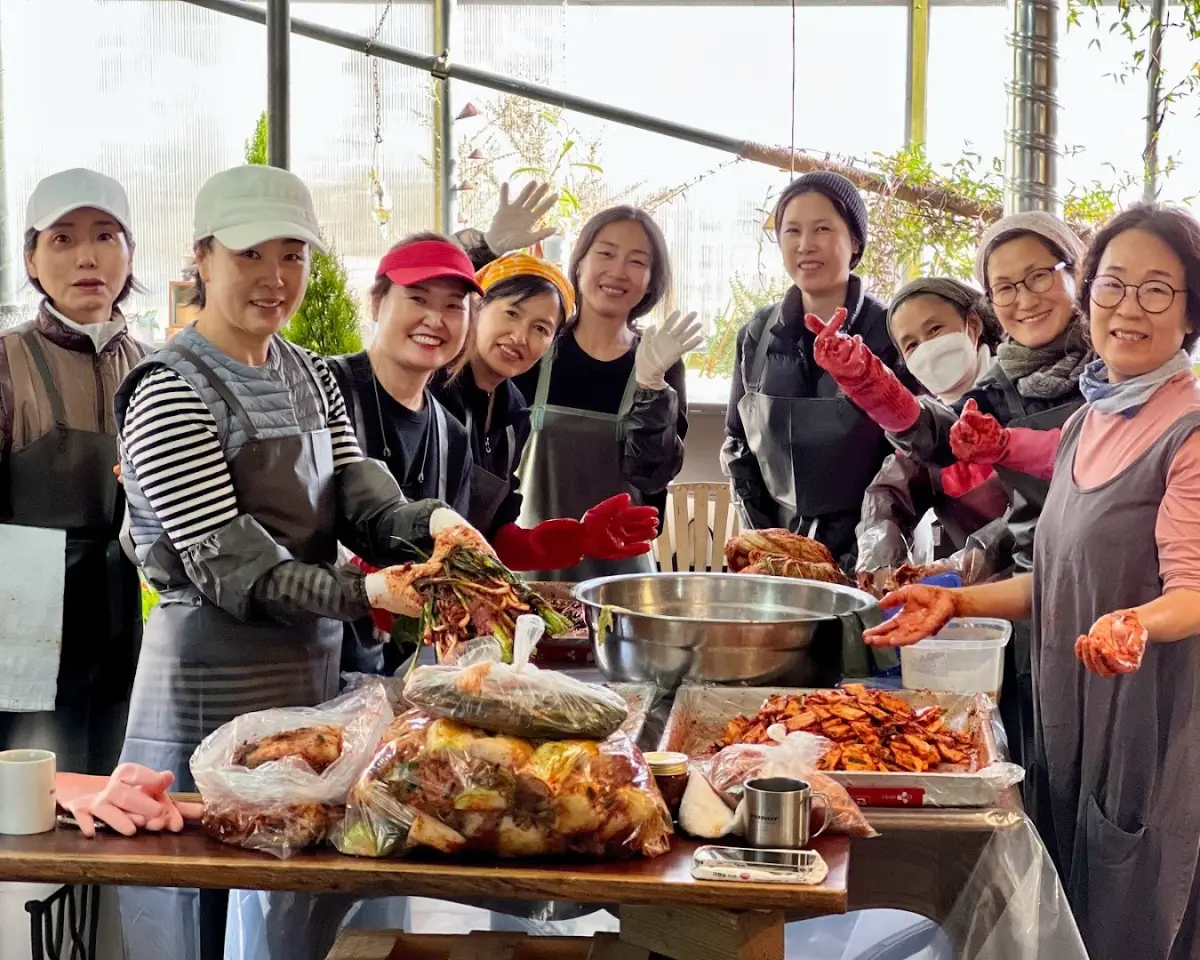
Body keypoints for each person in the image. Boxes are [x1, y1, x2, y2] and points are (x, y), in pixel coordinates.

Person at [114, 164, 469, 960]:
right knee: (190, 894)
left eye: (294, 257)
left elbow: (362, 501)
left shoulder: (309, 374)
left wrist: (435, 524)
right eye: (251, 256)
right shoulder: (168, 392)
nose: (276, 280)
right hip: (205, 683)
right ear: (201, 257)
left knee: (298, 899)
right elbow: (239, 571)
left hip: (309, 688)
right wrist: (369, 592)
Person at [864, 203, 1200, 960]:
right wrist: (954, 599)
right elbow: (1055, 582)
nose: (1127, 309)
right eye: (1113, 286)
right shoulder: (1090, 422)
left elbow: (1193, 591)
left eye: (1157, 291)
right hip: (1069, 714)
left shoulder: (1189, 428)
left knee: (1132, 921)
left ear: (1191, 311)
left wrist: (1137, 623)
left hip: (1144, 728)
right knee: (1068, 914)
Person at [805, 211, 1087, 768]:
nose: (1024, 298)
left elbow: (1068, 491)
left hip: (1103, 602)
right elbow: (931, 441)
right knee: (1033, 763)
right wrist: (867, 381)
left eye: (1039, 276)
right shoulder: (994, 390)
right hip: (1012, 613)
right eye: (1006, 286)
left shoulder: (1109, 375)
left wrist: (975, 557)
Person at [0, 168, 145, 775]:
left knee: (113, 799)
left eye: (106, 236)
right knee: (32, 810)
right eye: (62, 239)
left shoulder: (149, 367)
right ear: (31, 259)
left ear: (130, 254)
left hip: (121, 622)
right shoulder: (7, 362)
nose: (88, 256)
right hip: (24, 627)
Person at [721, 171, 909, 571]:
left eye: (822, 229)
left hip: (873, 559)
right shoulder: (756, 336)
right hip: (776, 561)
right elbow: (738, 446)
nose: (805, 245)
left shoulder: (892, 331)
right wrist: (769, 546)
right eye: (792, 231)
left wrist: (862, 559)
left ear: (854, 240)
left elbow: (907, 458)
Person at [435, 252, 659, 570]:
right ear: (478, 307)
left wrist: (578, 537)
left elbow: (497, 540)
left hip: (457, 594)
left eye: (541, 329)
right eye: (511, 313)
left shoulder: (512, 416)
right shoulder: (430, 390)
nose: (520, 337)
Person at [511, 205, 701, 581]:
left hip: (621, 580)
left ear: (651, 281)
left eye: (637, 261)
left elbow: (653, 477)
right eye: (606, 253)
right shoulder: (537, 348)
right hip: (533, 567)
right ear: (579, 263)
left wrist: (651, 387)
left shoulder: (660, 361)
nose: (617, 271)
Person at [855, 277, 1010, 580]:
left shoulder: (1022, 396)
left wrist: (984, 551)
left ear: (973, 325)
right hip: (977, 603)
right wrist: (880, 560)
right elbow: (888, 494)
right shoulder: (925, 431)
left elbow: (1043, 504)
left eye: (935, 330)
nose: (928, 349)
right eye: (911, 344)